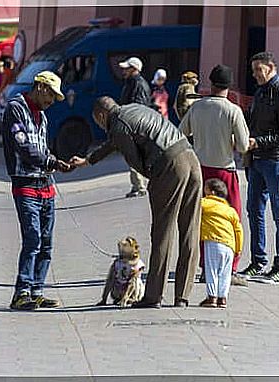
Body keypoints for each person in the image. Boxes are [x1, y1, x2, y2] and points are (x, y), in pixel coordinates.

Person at [70, 96, 202, 309]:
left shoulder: (118, 125)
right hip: (190, 157)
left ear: (101, 115)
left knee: (162, 231)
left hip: (169, 165)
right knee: (190, 230)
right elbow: (113, 144)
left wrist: (154, 180)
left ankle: (153, 296)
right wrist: (88, 161)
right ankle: (182, 296)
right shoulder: (132, 109)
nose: (101, 127)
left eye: (98, 123)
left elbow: (134, 160)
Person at [2, 71, 73, 311]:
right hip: (25, 183)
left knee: (46, 242)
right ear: (41, 88)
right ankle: (21, 292)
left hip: (46, 185)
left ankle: (37, 290)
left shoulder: (42, 116)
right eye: (51, 95)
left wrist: (51, 164)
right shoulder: (16, 108)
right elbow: (23, 146)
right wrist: (53, 162)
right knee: (32, 239)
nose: (52, 101)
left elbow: (42, 146)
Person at [180, 64, 249, 280]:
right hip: (224, 172)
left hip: (200, 170)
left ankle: (203, 266)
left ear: (210, 84)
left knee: (202, 219)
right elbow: (243, 145)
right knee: (231, 219)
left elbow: (181, 133)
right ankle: (230, 268)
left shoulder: (197, 107)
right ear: (229, 86)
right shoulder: (232, 110)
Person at [238, 52, 279, 284]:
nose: (255, 75)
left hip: (276, 160)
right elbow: (253, 121)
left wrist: (259, 141)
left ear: (271, 67)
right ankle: (258, 261)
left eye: (258, 70)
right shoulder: (261, 93)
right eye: (253, 70)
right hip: (257, 161)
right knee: (254, 210)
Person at [199, 178, 243, 309]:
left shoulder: (204, 203)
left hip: (213, 241)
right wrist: (238, 248)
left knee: (211, 269)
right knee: (225, 273)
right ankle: (222, 298)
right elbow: (238, 229)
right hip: (230, 245)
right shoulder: (230, 210)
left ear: (211, 192)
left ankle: (212, 297)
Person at [118, 56, 152, 198]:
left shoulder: (139, 85)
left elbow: (139, 107)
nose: (123, 71)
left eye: (127, 68)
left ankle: (139, 186)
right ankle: (137, 185)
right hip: (131, 124)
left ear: (134, 69)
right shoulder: (131, 82)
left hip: (135, 126)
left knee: (134, 155)